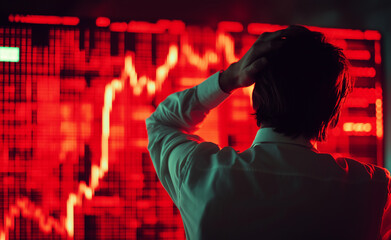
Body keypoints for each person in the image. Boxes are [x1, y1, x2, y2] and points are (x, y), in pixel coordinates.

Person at [146, 25, 391, 239]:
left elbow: (160, 123)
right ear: (333, 116)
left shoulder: (200, 172)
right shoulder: (372, 190)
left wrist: (231, 77)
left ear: (255, 101)